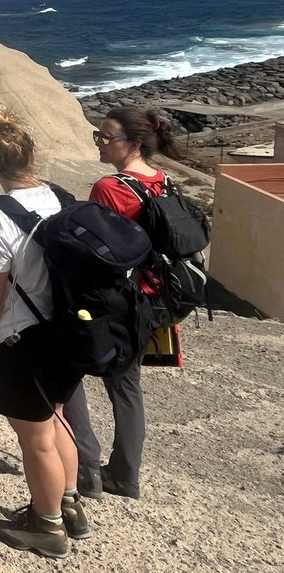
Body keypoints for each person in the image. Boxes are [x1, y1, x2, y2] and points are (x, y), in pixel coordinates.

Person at [0, 104, 89, 559]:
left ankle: (47, 527)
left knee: (35, 438)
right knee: (57, 418)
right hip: (69, 333)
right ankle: (69, 506)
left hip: (22, 341)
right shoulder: (61, 198)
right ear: (32, 155)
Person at [64, 105, 189, 501]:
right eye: (97, 136)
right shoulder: (163, 181)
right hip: (156, 298)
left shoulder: (110, 187)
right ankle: (125, 475)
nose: (99, 143)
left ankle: (86, 467)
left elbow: (96, 248)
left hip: (118, 301)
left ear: (133, 143)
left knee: (67, 371)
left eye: (106, 137)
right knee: (127, 386)